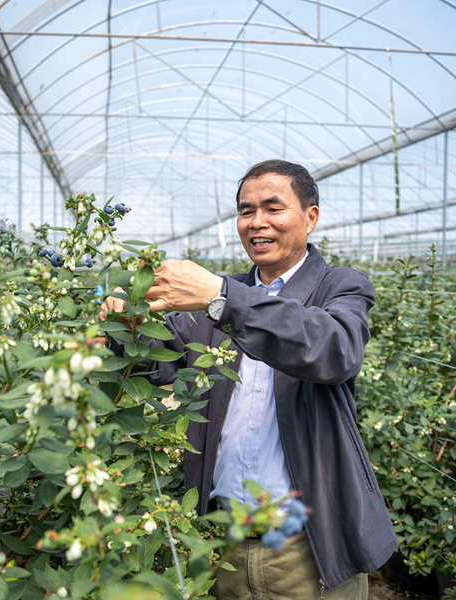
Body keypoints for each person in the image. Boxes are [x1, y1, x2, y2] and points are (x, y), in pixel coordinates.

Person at [98, 160, 397, 599]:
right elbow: (156, 368)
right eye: (245, 211)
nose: (257, 223)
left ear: (310, 217)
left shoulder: (340, 287)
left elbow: (334, 351)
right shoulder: (208, 301)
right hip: (224, 544)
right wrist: (126, 331)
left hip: (308, 547)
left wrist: (223, 299)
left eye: (273, 208)